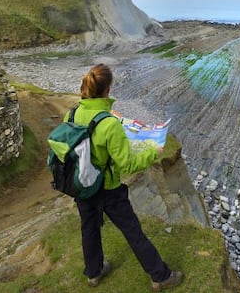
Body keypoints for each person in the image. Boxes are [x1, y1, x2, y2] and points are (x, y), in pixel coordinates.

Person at [65, 63, 184, 291]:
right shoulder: (110, 125)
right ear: (108, 89)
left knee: (88, 228)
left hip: (81, 184)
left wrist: (108, 116)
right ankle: (160, 275)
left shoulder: (72, 113)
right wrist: (153, 152)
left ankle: (94, 272)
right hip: (107, 188)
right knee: (132, 231)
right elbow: (127, 163)